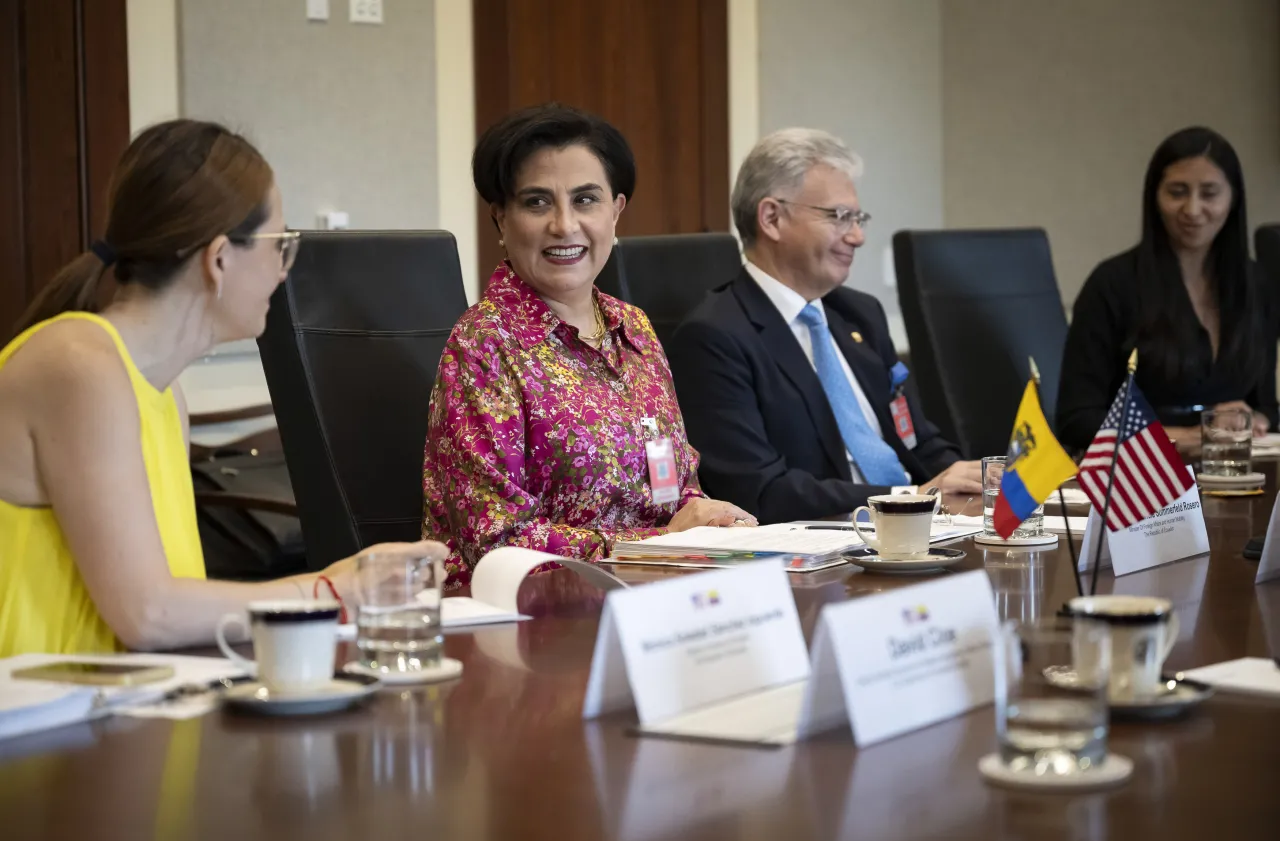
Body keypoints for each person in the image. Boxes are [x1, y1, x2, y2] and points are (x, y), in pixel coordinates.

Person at [0, 119, 445, 656]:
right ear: (219, 259)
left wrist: (342, 579)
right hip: (38, 722)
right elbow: (147, 615)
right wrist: (335, 588)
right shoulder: (79, 367)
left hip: (119, 705)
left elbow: (168, 605)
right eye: (278, 246)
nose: (283, 273)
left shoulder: (162, 391)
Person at [422, 104, 754, 583]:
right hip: (527, 615)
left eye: (585, 200)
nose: (564, 225)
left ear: (615, 212)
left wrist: (709, 519)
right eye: (537, 202)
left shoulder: (633, 326)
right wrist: (657, 544)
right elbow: (494, 539)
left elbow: (674, 488)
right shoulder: (485, 343)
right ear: (500, 219)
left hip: (653, 592)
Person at [666, 128, 982, 525]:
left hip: (921, 528)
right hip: (827, 554)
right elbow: (760, 490)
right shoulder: (715, 337)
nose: (858, 236)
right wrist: (910, 498)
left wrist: (971, 484)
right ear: (772, 218)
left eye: (858, 217)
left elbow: (917, 439)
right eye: (839, 217)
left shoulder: (859, 314)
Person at [1057, 126, 1277, 453]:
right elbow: (1077, 419)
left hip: (1235, 473)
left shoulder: (1256, 284)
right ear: (1154, 197)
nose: (1192, 209)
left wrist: (1254, 419)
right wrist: (1191, 435)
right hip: (1139, 479)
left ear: (1233, 199)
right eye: (1177, 192)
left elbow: (1265, 405)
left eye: (1210, 193)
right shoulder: (1112, 284)